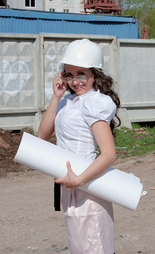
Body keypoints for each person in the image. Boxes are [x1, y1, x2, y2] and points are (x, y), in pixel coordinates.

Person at [38, 39, 121, 254]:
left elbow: (109, 154)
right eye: (69, 74)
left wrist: (80, 180)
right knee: (80, 247)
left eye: (81, 74)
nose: (75, 81)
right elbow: (42, 136)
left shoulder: (94, 102)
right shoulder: (67, 102)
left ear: (95, 74)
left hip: (88, 186)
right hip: (71, 185)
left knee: (95, 247)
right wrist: (56, 97)